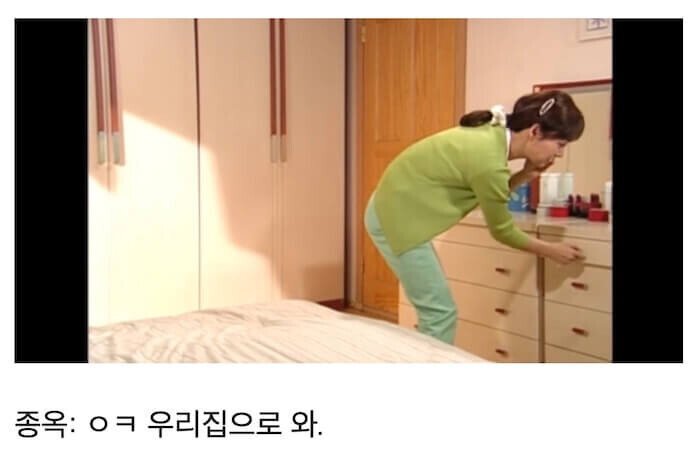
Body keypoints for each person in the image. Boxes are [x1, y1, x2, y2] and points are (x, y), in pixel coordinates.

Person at [364, 90, 587, 345]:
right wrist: (551, 250)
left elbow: (488, 193)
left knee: (436, 310)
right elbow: (502, 230)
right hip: (395, 218)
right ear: (535, 131)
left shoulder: (490, 135)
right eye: (561, 144)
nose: (560, 154)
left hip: (392, 209)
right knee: (439, 313)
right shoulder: (489, 160)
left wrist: (525, 174)